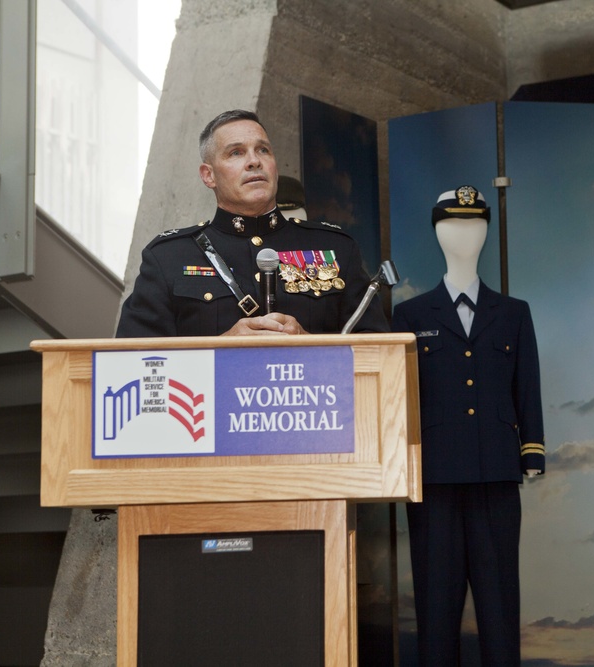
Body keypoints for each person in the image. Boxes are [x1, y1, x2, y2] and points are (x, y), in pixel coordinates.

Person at [391, 186, 545, 666]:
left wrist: (533, 449)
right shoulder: (409, 315)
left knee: (501, 605)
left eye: (476, 223)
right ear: (437, 232)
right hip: (433, 480)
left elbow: (527, 385)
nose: (467, 233)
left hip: (497, 475)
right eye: (455, 224)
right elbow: (400, 398)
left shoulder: (513, 313)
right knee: (436, 608)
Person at [116, 109, 388, 337]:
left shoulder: (336, 249)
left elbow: (379, 351)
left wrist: (309, 343)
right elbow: (134, 360)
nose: (254, 161)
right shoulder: (168, 257)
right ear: (208, 176)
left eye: (263, 150)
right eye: (236, 153)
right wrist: (219, 347)